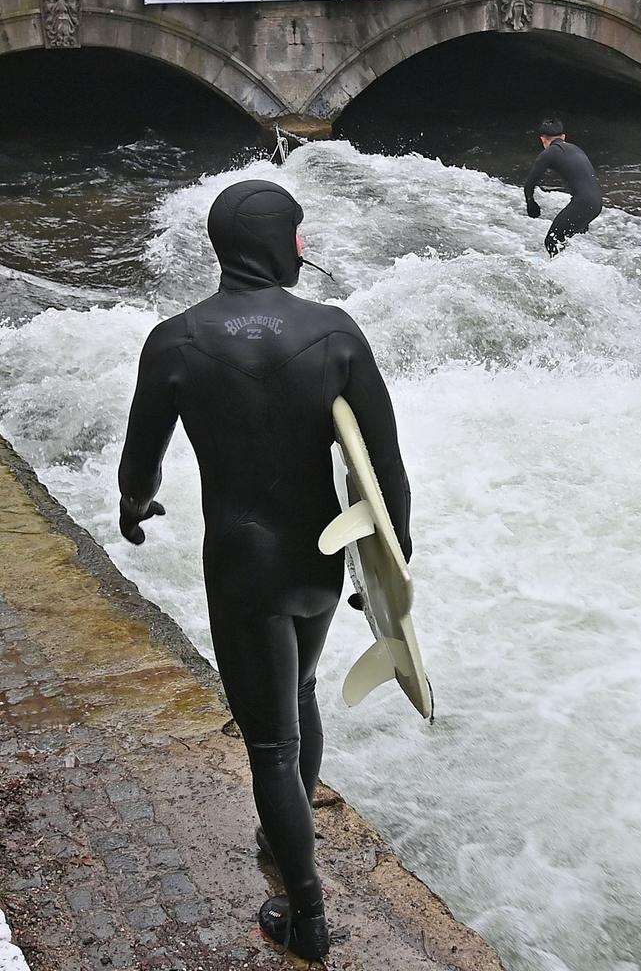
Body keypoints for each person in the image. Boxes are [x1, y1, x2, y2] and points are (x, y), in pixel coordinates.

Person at [117, 179, 412, 964]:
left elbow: (140, 463)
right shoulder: (336, 331)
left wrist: (132, 507)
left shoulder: (174, 341)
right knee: (303, 694)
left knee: (270, 747)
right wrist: (388, 568)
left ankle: (306, 916)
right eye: (298, 232)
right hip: (321, 552)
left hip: (242, 561)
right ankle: (283, 830)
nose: (304, 245)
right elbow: (384, 470)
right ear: (276, 241)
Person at [524, 119, 603, 257]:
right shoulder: (576, 149)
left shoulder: (549, 153)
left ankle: (557, 276)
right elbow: (586, 179)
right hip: (596, 203)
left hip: (583, 203)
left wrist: (531, 204)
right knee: (561, 241)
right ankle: (571, 269)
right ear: (563, 137)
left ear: (543, 140)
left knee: (551, 241)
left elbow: (529, 184)